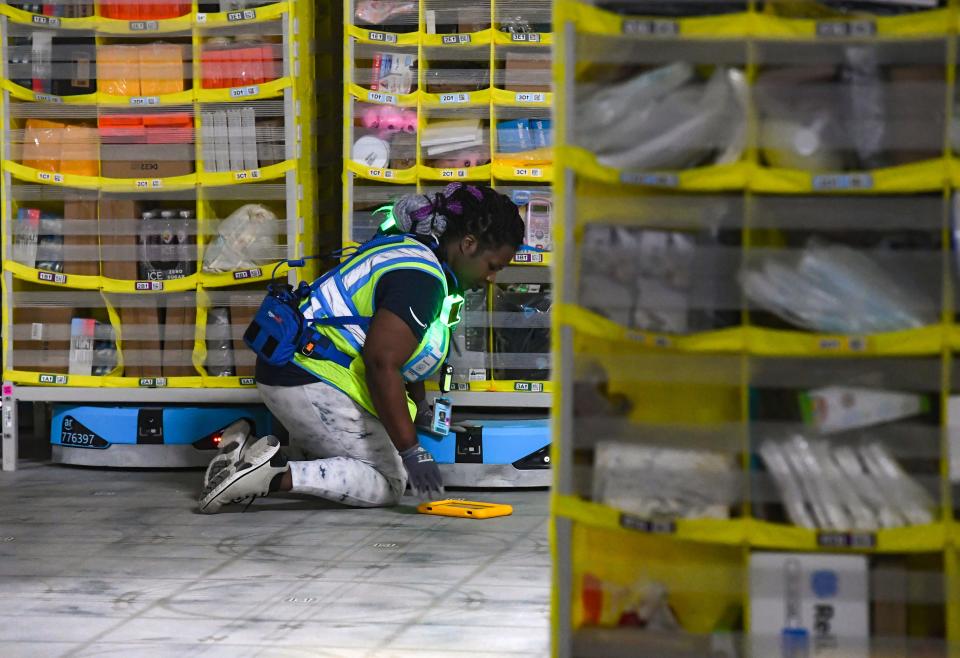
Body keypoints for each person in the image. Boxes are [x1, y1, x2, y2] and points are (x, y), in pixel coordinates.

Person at [199, 183, 524, 513]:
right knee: (390, 481)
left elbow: (403, 349)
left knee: (342, 460)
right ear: (469, 245)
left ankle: (240, 451)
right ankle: (267, 476)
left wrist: (421, 411)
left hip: (295, 373)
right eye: (493, 266)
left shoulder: (411, 253)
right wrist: (412, 452)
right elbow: (382, 362)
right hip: (308, 380)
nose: (491, 278)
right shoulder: (421, 280)